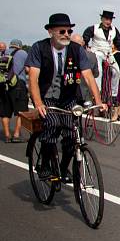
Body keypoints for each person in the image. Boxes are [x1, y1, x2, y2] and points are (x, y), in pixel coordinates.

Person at [26, 14, 105, 181]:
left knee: (72, 133)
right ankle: (45, 164)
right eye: (62, 31)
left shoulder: (76, 50)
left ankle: (63, 168)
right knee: (52, 125)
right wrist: (38, 103)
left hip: (68, 97)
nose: (66, 34)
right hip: (46, 96)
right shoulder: (39, 48)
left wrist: (98, 102)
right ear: (50, 32)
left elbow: (89, 77)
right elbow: (32, 78)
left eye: (69, 30)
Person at [82, 10, 120, 112]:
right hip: (97, 52)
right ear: (102, 19)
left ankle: (113, 95)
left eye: (109, 19)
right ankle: (97, 93)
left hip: (108, 53)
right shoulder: (94, 28)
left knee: (116, 71)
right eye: (106, 19)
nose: (108, 21)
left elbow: (119, 43)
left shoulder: (114, 30)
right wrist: (85, 48)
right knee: (98, 71)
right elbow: (85, 38)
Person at [0, 38, 30, 143]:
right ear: (19, 46)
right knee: (20, 111)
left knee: (5, 112)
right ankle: (16, 135)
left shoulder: (3, 53)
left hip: (3, 85)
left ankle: (7, 135)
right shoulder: (23, 53)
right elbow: (27, 69)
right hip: (18, 85)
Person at [69, 33, 99, 104]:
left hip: (70, 95)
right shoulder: (92, 56)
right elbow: (96, 74)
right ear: (83, 43)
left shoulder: (67, 55)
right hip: (86, 95)